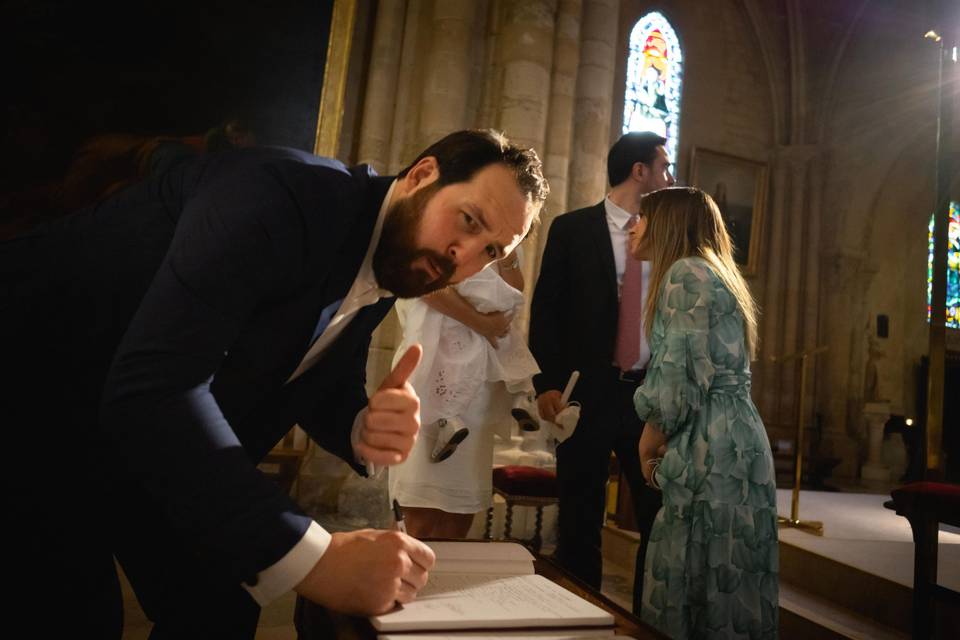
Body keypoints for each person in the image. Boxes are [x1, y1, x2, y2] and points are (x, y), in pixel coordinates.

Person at [3, 129, 547, 638]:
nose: (464, 258)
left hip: (134, 443)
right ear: (422, 175)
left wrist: (361, 424)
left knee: (217, 611)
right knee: (71, 613)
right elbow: (156, 390)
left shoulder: (386, 256)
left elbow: (315, 367)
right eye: (470, 221)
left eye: (492, 252)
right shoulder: (278, 197)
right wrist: (315, 556)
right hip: (34, 408)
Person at [529, 131, 674, 614]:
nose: (669, 177)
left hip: (647, 398)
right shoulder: (572, 229)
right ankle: (577, 618)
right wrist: (545, 383)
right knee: (579, 517)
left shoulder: (668, 235)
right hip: (586, 395)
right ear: (640, 171)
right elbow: (546, 311)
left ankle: (646, 620)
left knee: (658, 513)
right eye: (664, 167)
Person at [630, 187, 778, 639]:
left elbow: (679, 375)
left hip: (710, 444)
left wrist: (650, 435)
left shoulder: (684, 275)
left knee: (694, 570)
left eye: (642, 218)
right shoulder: (717, 272)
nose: (634, 226)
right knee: (728, 579)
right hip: (738, 436)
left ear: (668, 223)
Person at [388, 246, 540, 538]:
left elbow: (515, 288)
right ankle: (402, 578)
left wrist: (507, 253)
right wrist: (483, 323)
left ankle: (451, 581)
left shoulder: (500, 235)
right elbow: (426, 285)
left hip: (478, 382)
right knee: (416, 508)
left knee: (460, 509)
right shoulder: (445, 221)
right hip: (431, 368)